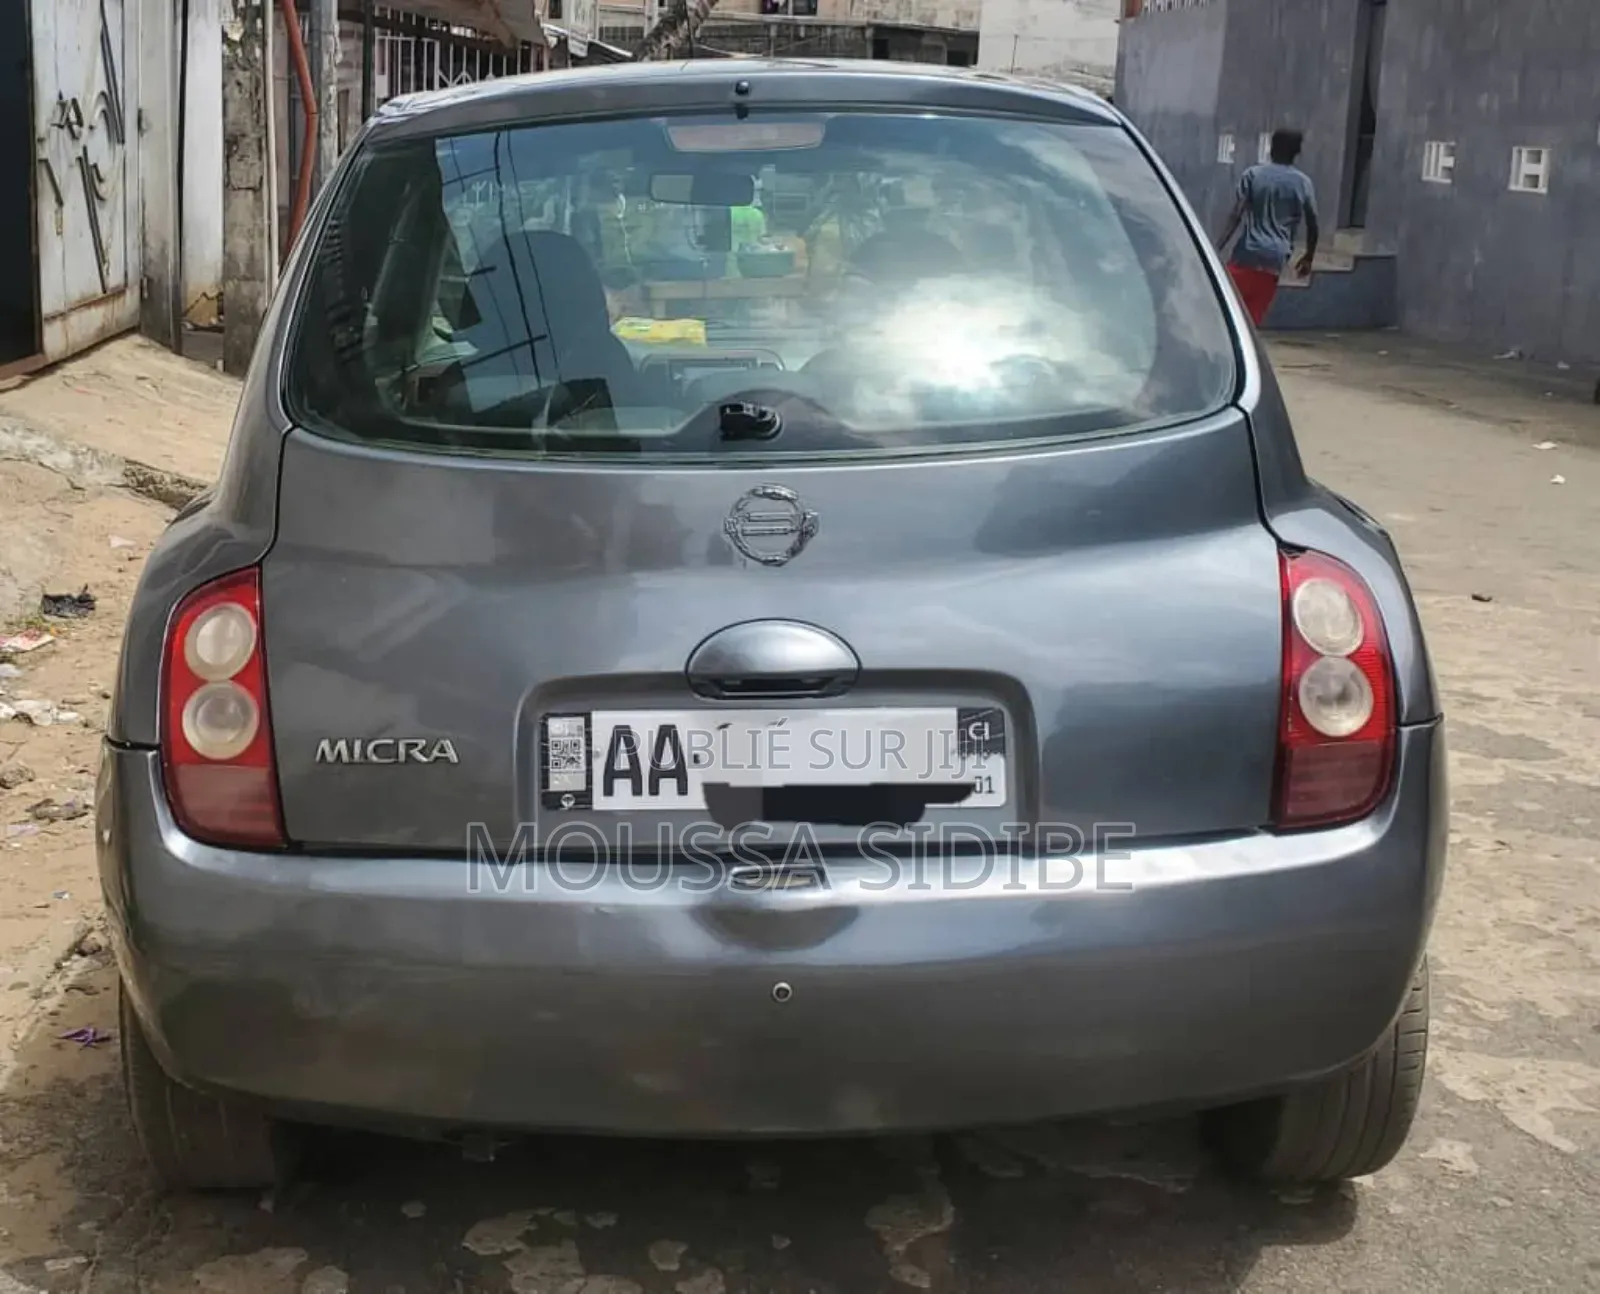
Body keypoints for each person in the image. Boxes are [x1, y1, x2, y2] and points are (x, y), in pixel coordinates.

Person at [1218, 128, 1320, 327]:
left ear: (1272, 148)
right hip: (1275, 257)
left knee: (1228, 308)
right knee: (1253, 316)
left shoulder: (1253, 175)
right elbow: (1313, 223)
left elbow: (1236, 215)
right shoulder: (1303, 183)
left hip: (1247, 253)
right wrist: (1308, 257)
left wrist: (1216, 247)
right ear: (1296, 152)